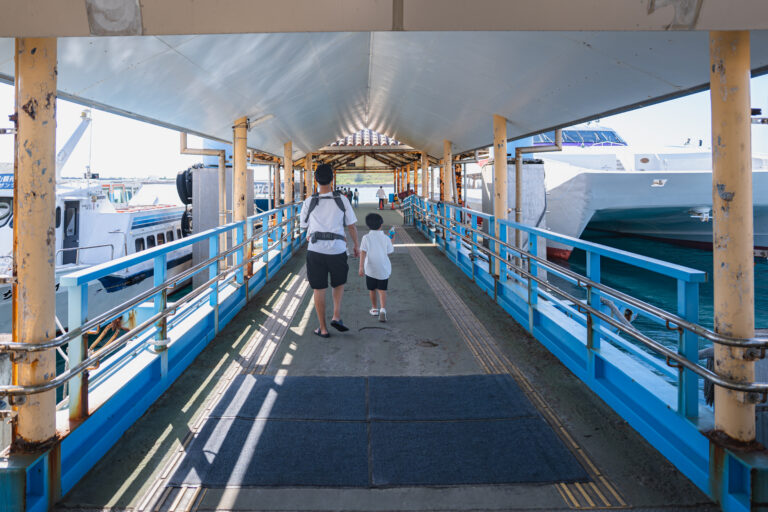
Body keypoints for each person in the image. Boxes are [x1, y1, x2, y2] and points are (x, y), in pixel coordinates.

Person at [300, 163, 359, 337]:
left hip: (315, 250)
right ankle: (336, 316)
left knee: (319, 289)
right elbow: (351, 226)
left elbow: (304, 225)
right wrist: (356, 245)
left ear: (316, 180)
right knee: (338, 283)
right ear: (332, 179)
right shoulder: (342, 200)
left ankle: (323, 328)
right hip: (337, 250)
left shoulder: (309, 201)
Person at [359, 213, 393, 322]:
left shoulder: (366, 238)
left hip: (370, 269)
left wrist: (361, 267)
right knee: (382, 290)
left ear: (368, 225)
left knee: (372, 289)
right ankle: (383, 310)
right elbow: (389, 251)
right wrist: (392, 240)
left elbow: (363, 252)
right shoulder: (386, 238)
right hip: (383, 269)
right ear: (381, 224)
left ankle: (374, 308)